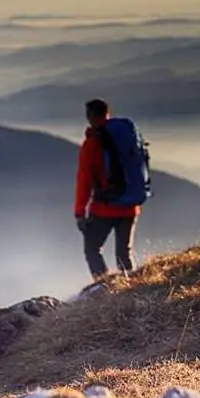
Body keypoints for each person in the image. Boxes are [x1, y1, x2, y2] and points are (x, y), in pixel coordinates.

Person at [74, 99, 141, 288]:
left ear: (91, 116)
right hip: (130, 206)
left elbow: (84, 181)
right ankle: (132, 288)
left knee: (92, 248)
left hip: (104, 208)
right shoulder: (126, 135)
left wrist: (80, 212)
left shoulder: (93, 144)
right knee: (124, 254)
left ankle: (103, 288)